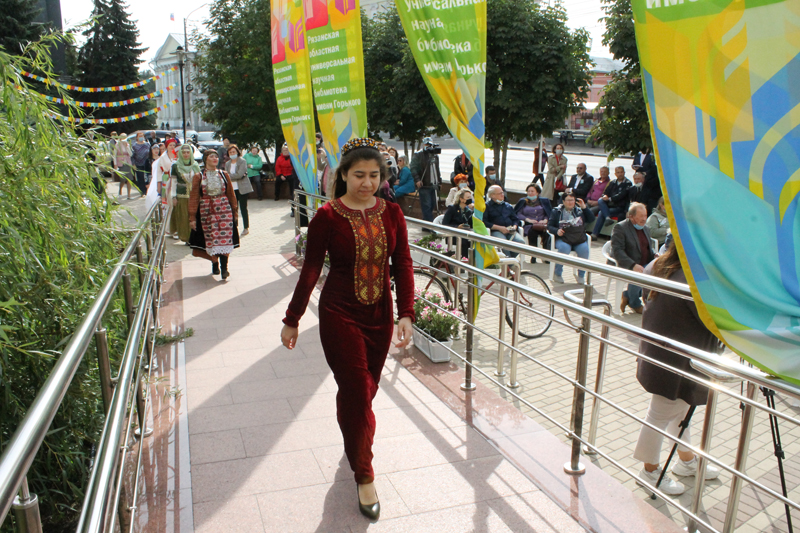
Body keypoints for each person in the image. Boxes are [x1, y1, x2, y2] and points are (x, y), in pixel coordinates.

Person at [280, 137, 414, 521]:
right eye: (358, 175)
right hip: (339, 314)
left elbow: (403, 264)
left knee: (362, 393)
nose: (367, 183)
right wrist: (292, 318)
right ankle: (364, 473)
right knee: (357, 389)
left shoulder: (392, 213)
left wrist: (406, 312)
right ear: (343, 175)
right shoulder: (327, 216)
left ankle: (353, 438)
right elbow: (310, 269)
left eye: (374, 175)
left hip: (380, 316)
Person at [633, 240, 721, 495]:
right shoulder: (693, 279)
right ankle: (649, 471)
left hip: (661, 353)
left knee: (679, 409)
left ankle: (685, 460)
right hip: (677, 360)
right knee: (662, 412)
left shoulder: (658, 264)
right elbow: (714, 320)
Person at [188, 150, 239, 279]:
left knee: (225, 238)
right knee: (211, 238)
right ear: (206, 159)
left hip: (224, 209)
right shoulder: (199, 176)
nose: (215, 158)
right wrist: (192, 217)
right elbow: (194, 197)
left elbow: (231, 194)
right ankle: (215, 262)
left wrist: (235, 211)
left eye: (216, 156)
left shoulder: (224, 174)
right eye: (211, 156)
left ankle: (225, 268)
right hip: (207, 211)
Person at [611, 202, 655, 314]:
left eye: (645, 215)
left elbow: (647, 248)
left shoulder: (645, 228)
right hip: (627, 263)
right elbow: (617, 251)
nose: (644, 219)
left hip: (644, 263)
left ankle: (627, 295)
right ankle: (634, 303)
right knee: (641, 273)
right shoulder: (620, 228)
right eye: (641, 216)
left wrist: (655, 256)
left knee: (660, 271)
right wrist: (633, 265)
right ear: (631, 217)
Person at [547, 192, 595, 284]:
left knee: (584, 249)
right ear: (563, 201)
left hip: (578, 238)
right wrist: (557, 231)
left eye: (572, 200)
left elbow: (591, 219)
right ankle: (557, 273)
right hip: (563, 238)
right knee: (564, 248)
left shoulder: (579, 211)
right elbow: (549, 226)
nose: (570, 202)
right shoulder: (556, 211)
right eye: (568, 200)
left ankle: (581, 275)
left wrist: (584, 208)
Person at [484, 185, 526, 258]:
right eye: (500, 193)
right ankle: (509, 263)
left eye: (502, 193)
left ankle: (510, 260)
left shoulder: (507, 206)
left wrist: (514, 227)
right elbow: (485, 222)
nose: (502, 195)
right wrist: (499, 228)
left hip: (510, 230)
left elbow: (515, 219)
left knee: (520, 242)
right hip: (496, 231)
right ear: (492, 195)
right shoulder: (486, 206)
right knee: (504, 244)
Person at [591, 166, 632, 240]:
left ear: (624, 173)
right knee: (600, 200)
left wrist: (610, 199)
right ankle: (607, 218)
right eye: (618, 172)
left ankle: (595, 234)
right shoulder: (613, 182)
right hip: (610, 205)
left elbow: (621, 195)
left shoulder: (628, 183)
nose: (620, 174)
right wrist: (605, 196)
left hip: (620, 207)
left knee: (601, 213)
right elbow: (606, 192)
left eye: (621, 172)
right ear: (615, 174)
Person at [515, 183, 552, 262]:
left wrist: (545, 220)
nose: (530, 193)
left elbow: (549, 213)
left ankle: (546, 255)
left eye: (532, 191)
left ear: (537, 192)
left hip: (542, 224)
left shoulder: (544, 201)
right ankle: (533, 255)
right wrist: (528, 219)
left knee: (546, 233)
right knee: (532, 232)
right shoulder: (523, 201)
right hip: (529, 225)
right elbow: (518, 213)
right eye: (529, 191)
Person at [169, 144, 199, 243]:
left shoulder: (195, 165)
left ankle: (194, 237)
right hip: (182, 195)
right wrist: (173, 196)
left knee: (194, 216)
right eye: (183, 153)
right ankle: (186, 238)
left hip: (194, 195)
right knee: (184, 217)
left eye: (188, 152)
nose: (186, 154)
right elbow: (173, 182)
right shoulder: (176, 166)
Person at [410, 136, 442, 222]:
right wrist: (417, 179)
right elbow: (413, 168)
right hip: (424, 184)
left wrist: (439, 181)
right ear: (423, 144)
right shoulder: (418, 155)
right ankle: (430, 224)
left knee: (433, 204)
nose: (428, 146)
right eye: (426, 144)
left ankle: (425, 224)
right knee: (426, 205)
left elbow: (437, 169)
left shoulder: (435, 155)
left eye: (429, 145)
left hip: (434, 184)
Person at [225, 144, 252, 237]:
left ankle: (246, 227)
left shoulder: (242, 161)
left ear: (237, 152)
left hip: (242, 188)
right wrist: (231, 176)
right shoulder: (227, 164)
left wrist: (230, 176)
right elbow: (226, 176)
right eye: (230, 152)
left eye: (234, 152)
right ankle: (234, 227)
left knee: (243, 208)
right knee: (233, 208)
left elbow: (239, 174)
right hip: (232, 188)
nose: (232, 153)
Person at [442, 188, 473, 258]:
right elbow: (444, 224)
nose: (470, 199)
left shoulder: (468, 211)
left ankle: (472, 260)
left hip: (465, 233)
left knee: (473, 241)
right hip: (452, 234)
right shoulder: (452, 209)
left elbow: (471, 224)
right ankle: (463, 259)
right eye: (468, 197)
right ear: (461, 199)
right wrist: (457, 226)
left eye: (470, 197)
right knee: (464, 241)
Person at [114, 133, 134, 200]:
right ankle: (120, 192)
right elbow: (114, 155)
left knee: (129, 179)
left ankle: (129, 195)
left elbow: (131, 154)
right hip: (121, 163)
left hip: (128, 163)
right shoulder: (117, 145)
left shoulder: (127, 144)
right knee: (122, 180)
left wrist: (127, 147)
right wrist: (115, 164)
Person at [132, 131, 151, 195]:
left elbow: (150, 153)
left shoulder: (147, 144)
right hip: (138, 164)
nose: (141, 137)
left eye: (142, 136)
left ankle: (147, 191)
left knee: (147, 177)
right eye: (139, 136)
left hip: (147, 164)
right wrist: (133, 164)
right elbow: (132, 156)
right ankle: (142, 191)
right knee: (140, 178)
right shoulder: (134, 145)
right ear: (137, 137)